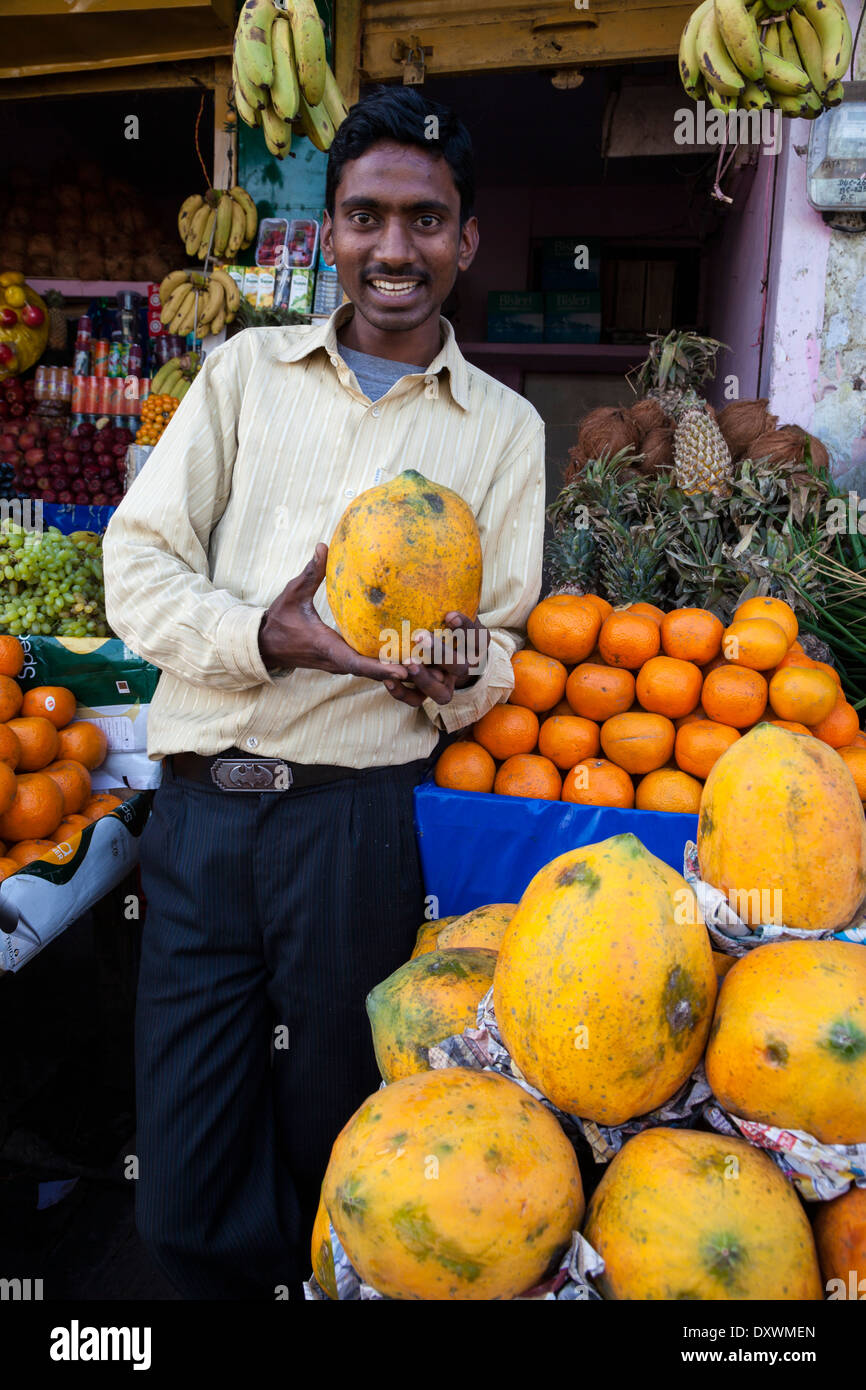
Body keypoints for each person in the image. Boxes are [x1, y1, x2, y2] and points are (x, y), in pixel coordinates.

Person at [102, 84, 546, 1301]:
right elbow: (134, 568)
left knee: (335, 1139)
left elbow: (502, 640)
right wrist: (268, 636)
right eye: (364, 216)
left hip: (359, 827)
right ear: (331, 231)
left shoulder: (502, 428)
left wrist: (456, 673)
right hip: (201, 819)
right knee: (186, 1171)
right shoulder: (243, 373)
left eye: (422, 219)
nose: (391, 249)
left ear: (465, 237)